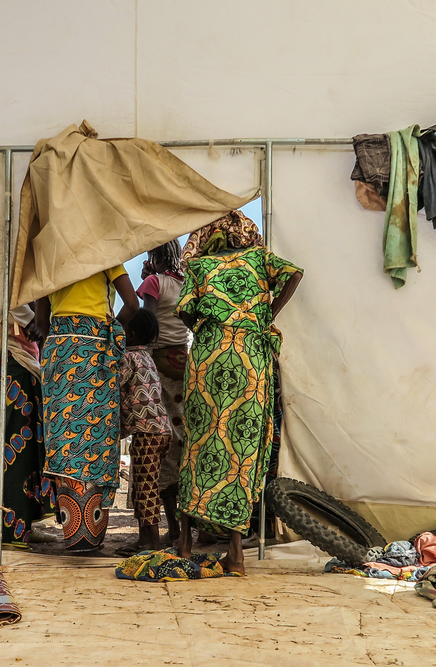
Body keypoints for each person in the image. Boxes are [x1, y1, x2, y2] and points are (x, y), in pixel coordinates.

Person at [175, 211, 303, 574]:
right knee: (243, 448)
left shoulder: (199, 266)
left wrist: (207, 325)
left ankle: (184, 541)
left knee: (198, 442)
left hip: (209, 355)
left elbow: (183, 311)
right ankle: (235, 553)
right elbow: (294, 273)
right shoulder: (260, 258)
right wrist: (265, 316)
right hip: (249, 357)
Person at [35, 265, 139, 553]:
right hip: (94, 350)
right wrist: (110, 328)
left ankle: (73, 534)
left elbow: (41, 322)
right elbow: (132, 304)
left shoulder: (53, 256)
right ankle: (89, 537)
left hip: (59, 349)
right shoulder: (105, 255)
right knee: (96, 437)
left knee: (64, 440)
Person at [137, 241, 192, 546]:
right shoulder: (184, 284)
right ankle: (184, 527)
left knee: (160, 442)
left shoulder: (153, 283)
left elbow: (147, 325)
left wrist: (147, 280)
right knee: (180, 439)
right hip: (183, 361)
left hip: (157, 363)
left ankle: (171, 528)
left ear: (154, 257)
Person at [0, 305, 56, 548]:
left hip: (22, 361)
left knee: (24, 453)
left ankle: (24, 525)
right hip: (14, 363)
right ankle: (9, 531)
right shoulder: (11, 273)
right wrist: (32, 322)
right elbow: (11, 298)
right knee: (14, 452)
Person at [116, 308, 173, 555]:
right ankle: (143, 539)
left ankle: (152, 543)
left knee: (146, 489)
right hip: (161, 431)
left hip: (147, 433)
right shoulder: (148, 357)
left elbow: (115, 383)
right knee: (142, 486)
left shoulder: (128, 358)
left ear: (132, 333)